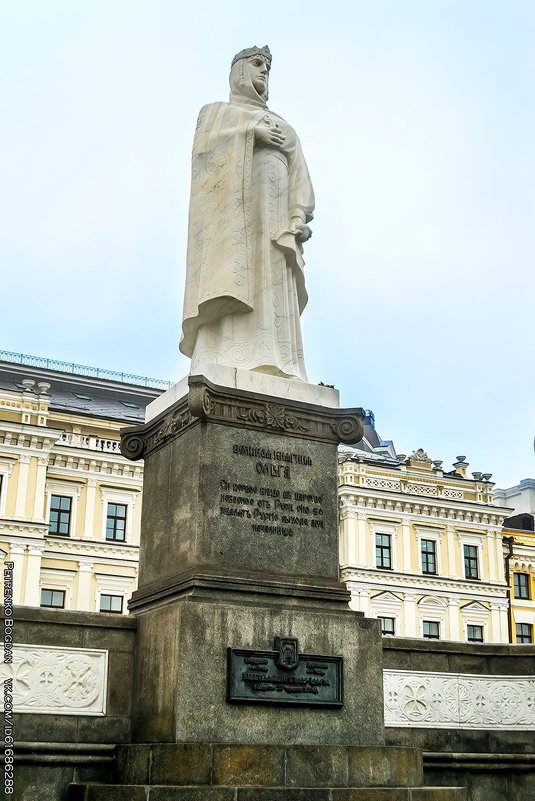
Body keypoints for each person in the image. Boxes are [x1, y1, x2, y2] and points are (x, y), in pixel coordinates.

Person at [179, 46, 315, 381]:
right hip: (233, 228)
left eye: (267, 67)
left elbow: (301, 176)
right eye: (256, 64)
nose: (264, 71)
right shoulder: (216, 114)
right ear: (239, 70)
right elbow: (203, 151)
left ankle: (276, 360)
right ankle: (223, 355)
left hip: (275, 227)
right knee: (236, 278)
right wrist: (251, 133)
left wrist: (298, 217)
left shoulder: (285, 126)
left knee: (270, 282)